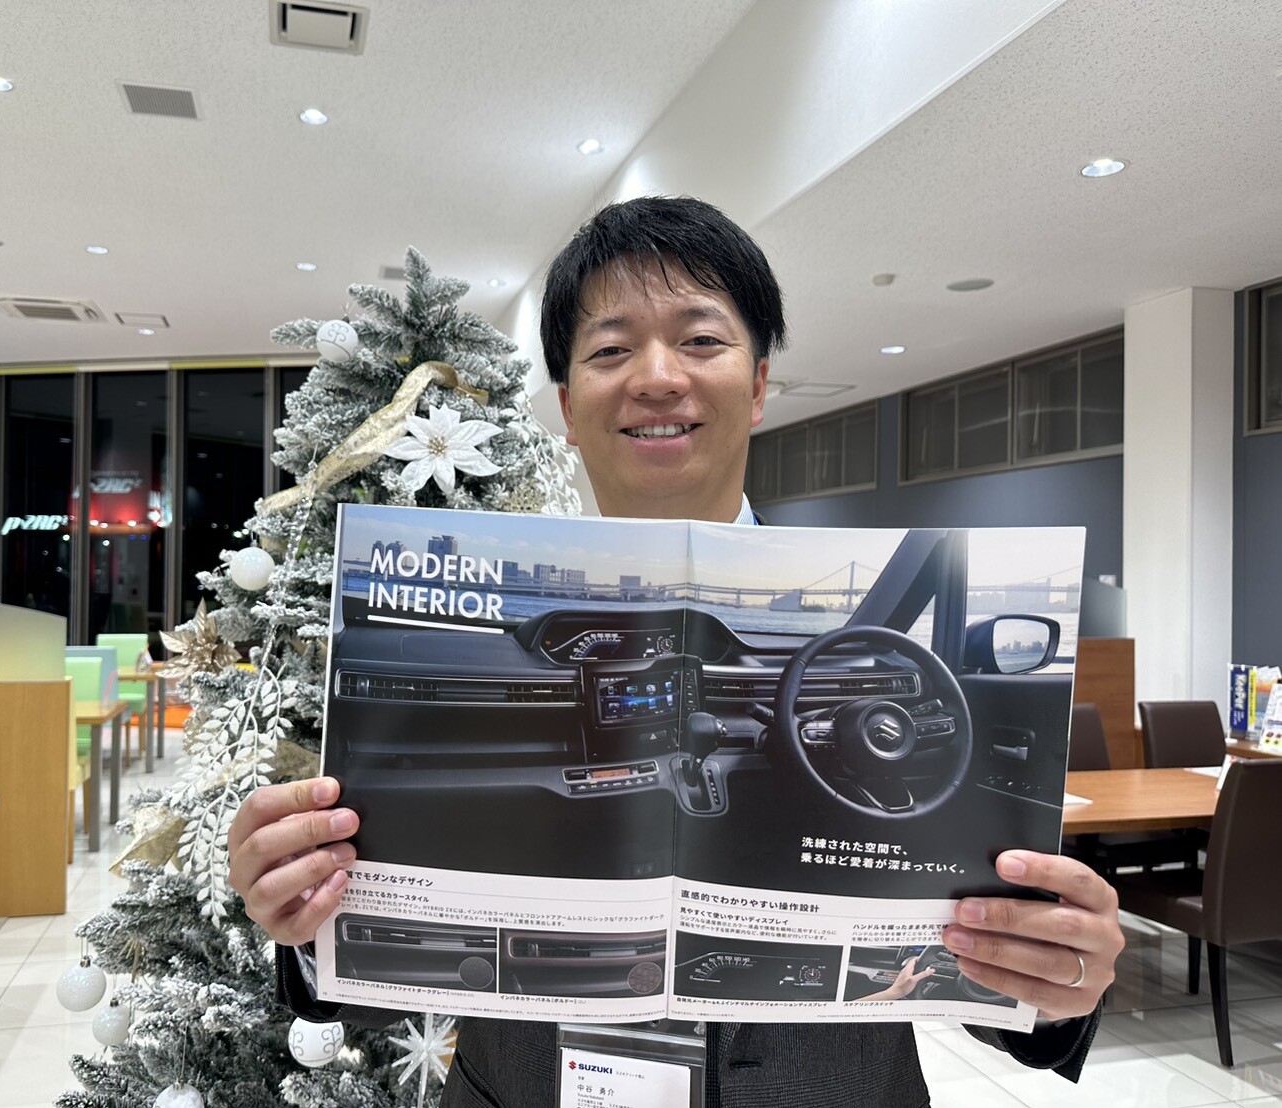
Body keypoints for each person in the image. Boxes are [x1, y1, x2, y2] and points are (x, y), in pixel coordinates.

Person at [228, 196, 1125, 1107]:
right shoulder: (390, 645)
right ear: (568, 406)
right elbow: (378, 977)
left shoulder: (858, 658)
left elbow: (972, 967)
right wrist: (304, 922)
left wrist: (1055, 979)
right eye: (611, 350)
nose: (657, 378)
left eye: (700, 340)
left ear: (759, 384)